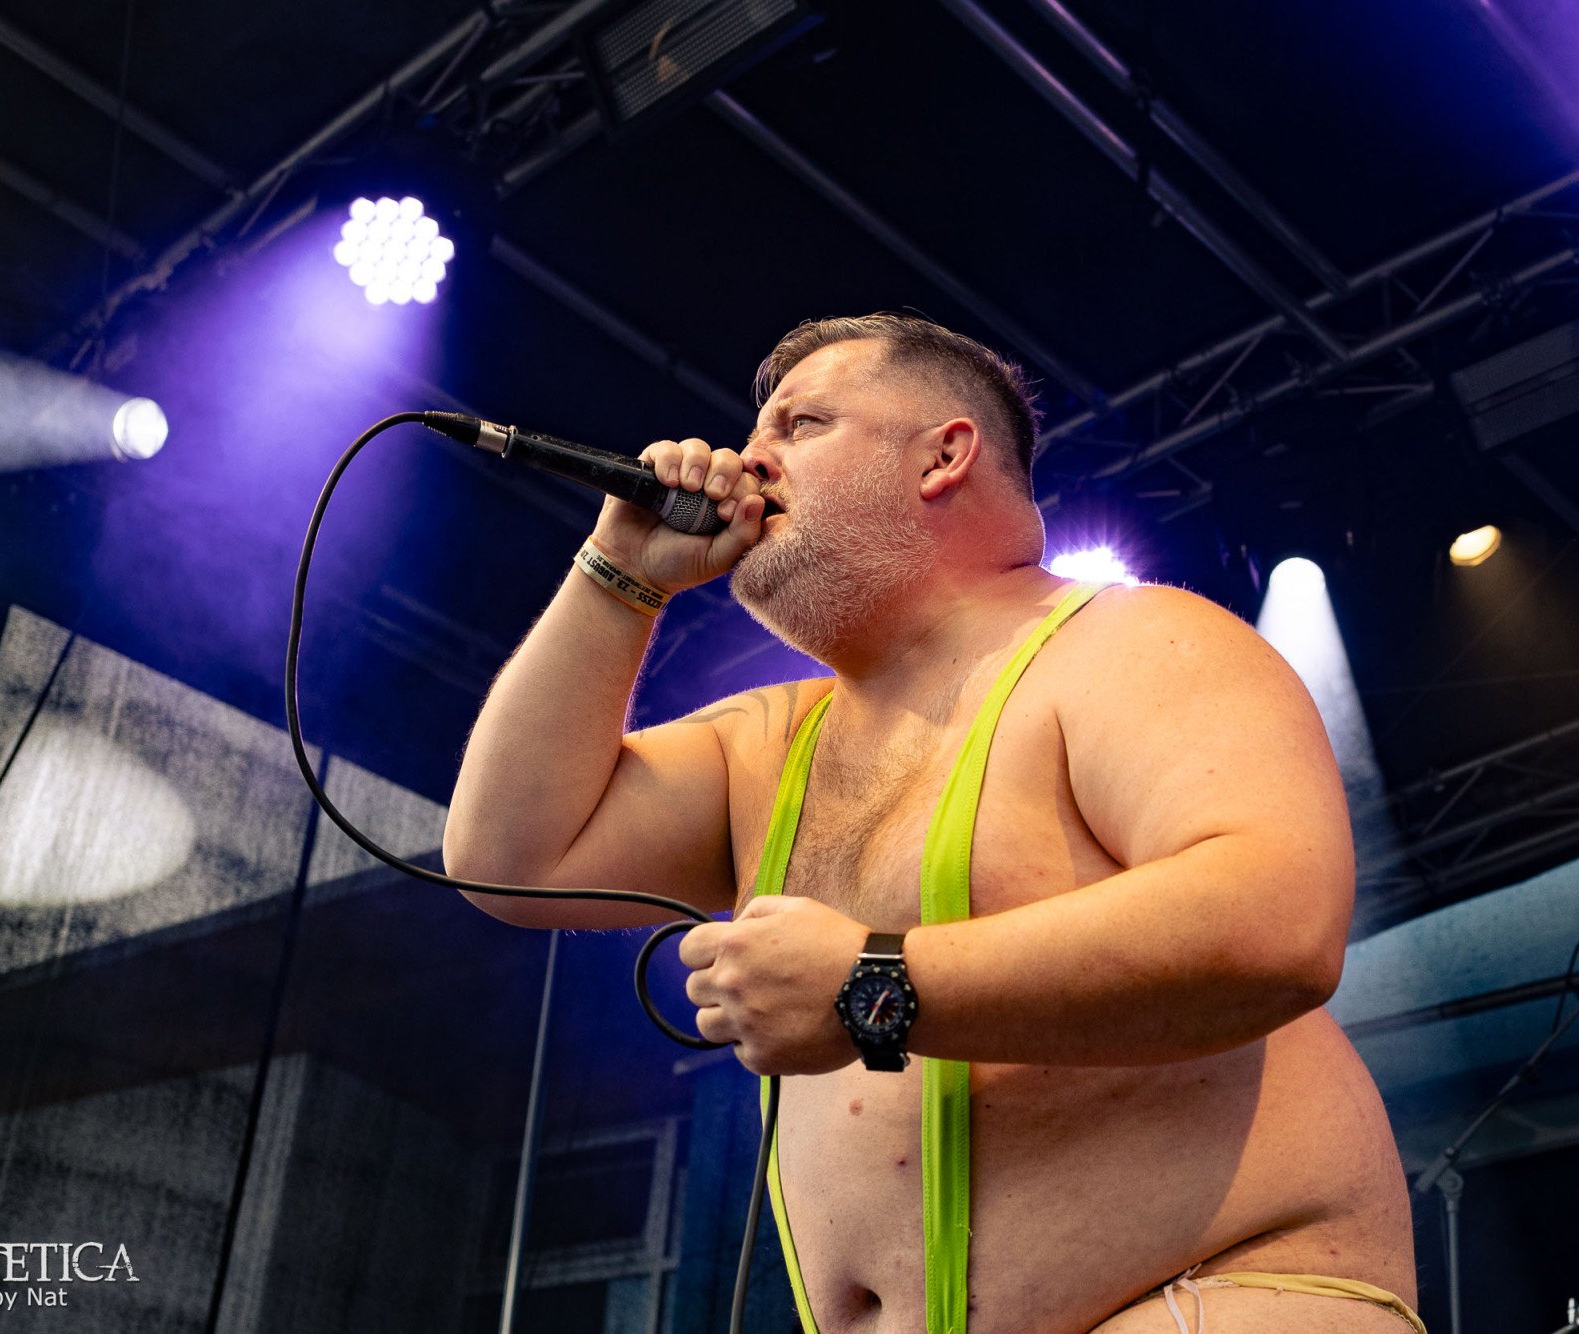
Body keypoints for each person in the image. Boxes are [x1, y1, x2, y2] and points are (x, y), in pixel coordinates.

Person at [444, 314, 1420, 1334]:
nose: (747, 459)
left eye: (801, 424)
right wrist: (619, 572)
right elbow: (511, 858)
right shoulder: (766, 743)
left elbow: (1276, 921)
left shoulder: (1133, 641)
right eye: (756, 430)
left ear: (942, 456)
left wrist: (869, 985)